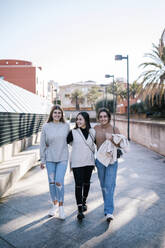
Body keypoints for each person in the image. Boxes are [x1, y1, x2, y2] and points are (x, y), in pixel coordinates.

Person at [40, 105, 70, 220]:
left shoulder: (66, 126)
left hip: (62, 158)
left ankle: (61, 207)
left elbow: (71, 140)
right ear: (52, 114)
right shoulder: (46, 127)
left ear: (62, 114)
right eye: (55, 112)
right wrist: (42, 159)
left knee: (58, 181)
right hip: (50, 159)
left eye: (59, 113)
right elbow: (42, 144)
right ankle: (54, 205)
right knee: (52, 182)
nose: (57, 115)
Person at [67, 112, 95, 220]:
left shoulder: (92, 132)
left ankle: (84, 202)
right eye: (77, 119)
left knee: (87, 183)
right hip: (77, 163)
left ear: (86, 121)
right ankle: (79, 209)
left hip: (89, 162)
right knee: (78, 184)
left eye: (81, 119)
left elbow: (99, 144)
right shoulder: (73, 132)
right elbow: (63, 143)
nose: (78, 121)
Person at [94, 108, 121, 222]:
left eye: (105, 116)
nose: (103, 118)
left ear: (109, 117)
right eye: (101, 117)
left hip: (111, 161)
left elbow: (120, 144)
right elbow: (91, 143)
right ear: (98, 118)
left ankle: (109, 211)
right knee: (104, 185)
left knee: (109, 185)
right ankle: (107, 204)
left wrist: (112, 139)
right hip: (100, 161)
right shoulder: (95, 128)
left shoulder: (115, 128)